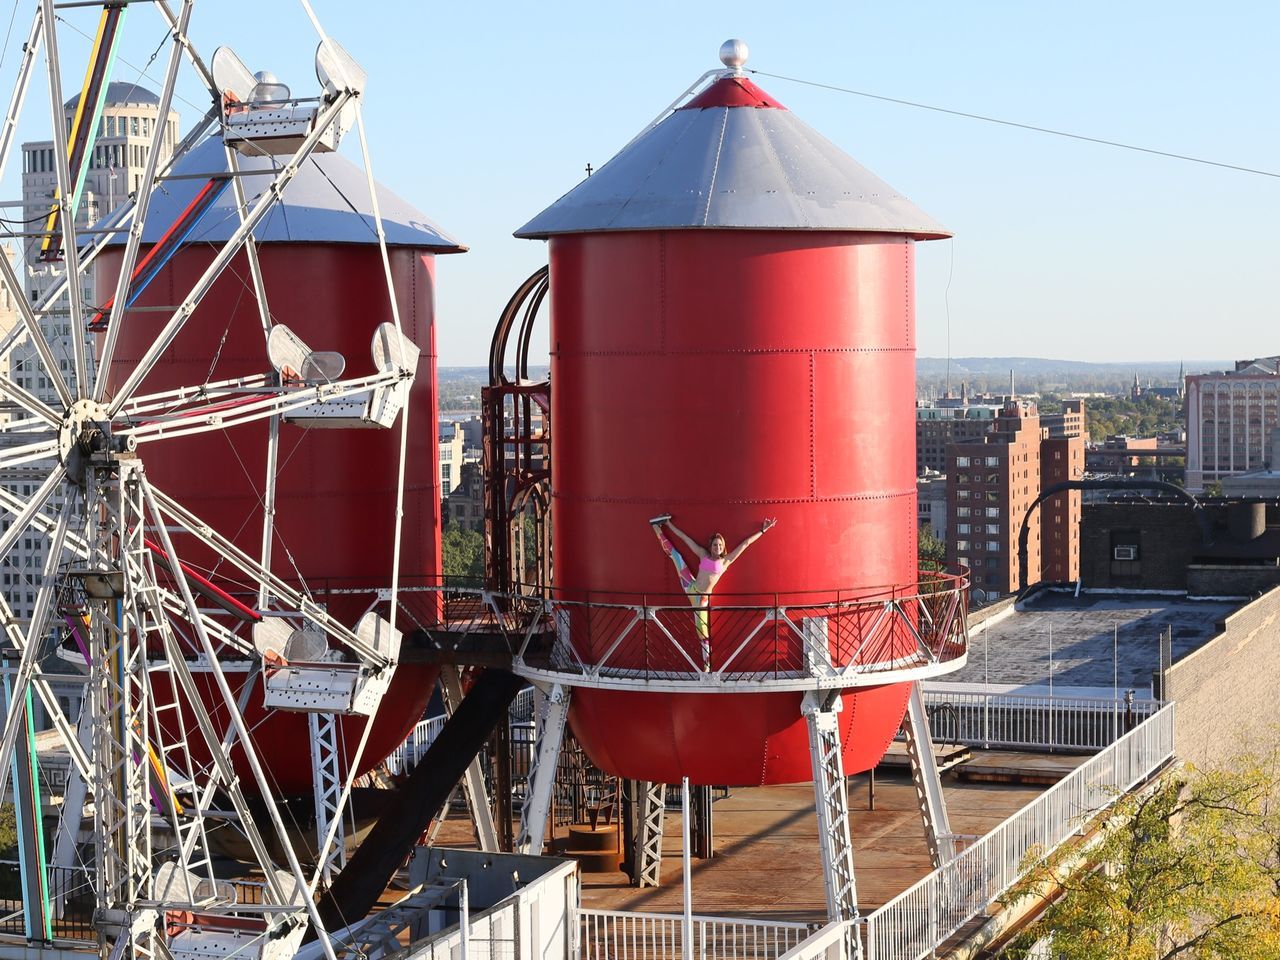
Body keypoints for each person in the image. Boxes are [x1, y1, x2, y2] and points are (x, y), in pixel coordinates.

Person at [649, 514, 777, 670]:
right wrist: (669, 524)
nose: (718, 547)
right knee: (676, 556)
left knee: (702, 631)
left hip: (701, 599)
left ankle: (707, 666)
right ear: (711, 547)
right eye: (715, 545)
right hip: (690, 585)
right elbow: (685, 538)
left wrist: (763, 530)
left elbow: (745, 544)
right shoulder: (703, 554)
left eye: (720, 545)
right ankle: (657, 527)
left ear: (724, 547)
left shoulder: (725, 561)